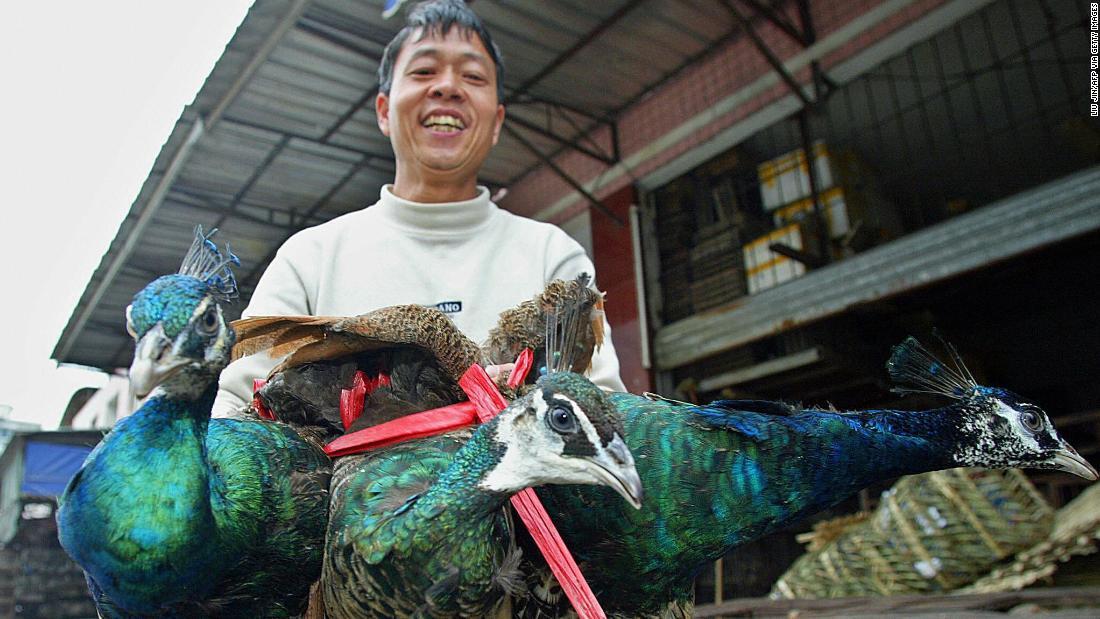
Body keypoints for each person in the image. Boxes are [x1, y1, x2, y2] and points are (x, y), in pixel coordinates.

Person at [212, 0, 624, 417]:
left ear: (497, 121)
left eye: (473, 76)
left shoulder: (551, 254)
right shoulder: (309, 258)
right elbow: (235, 410)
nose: (447, 87)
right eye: (424, 71)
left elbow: (606, 412)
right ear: (384, 111)